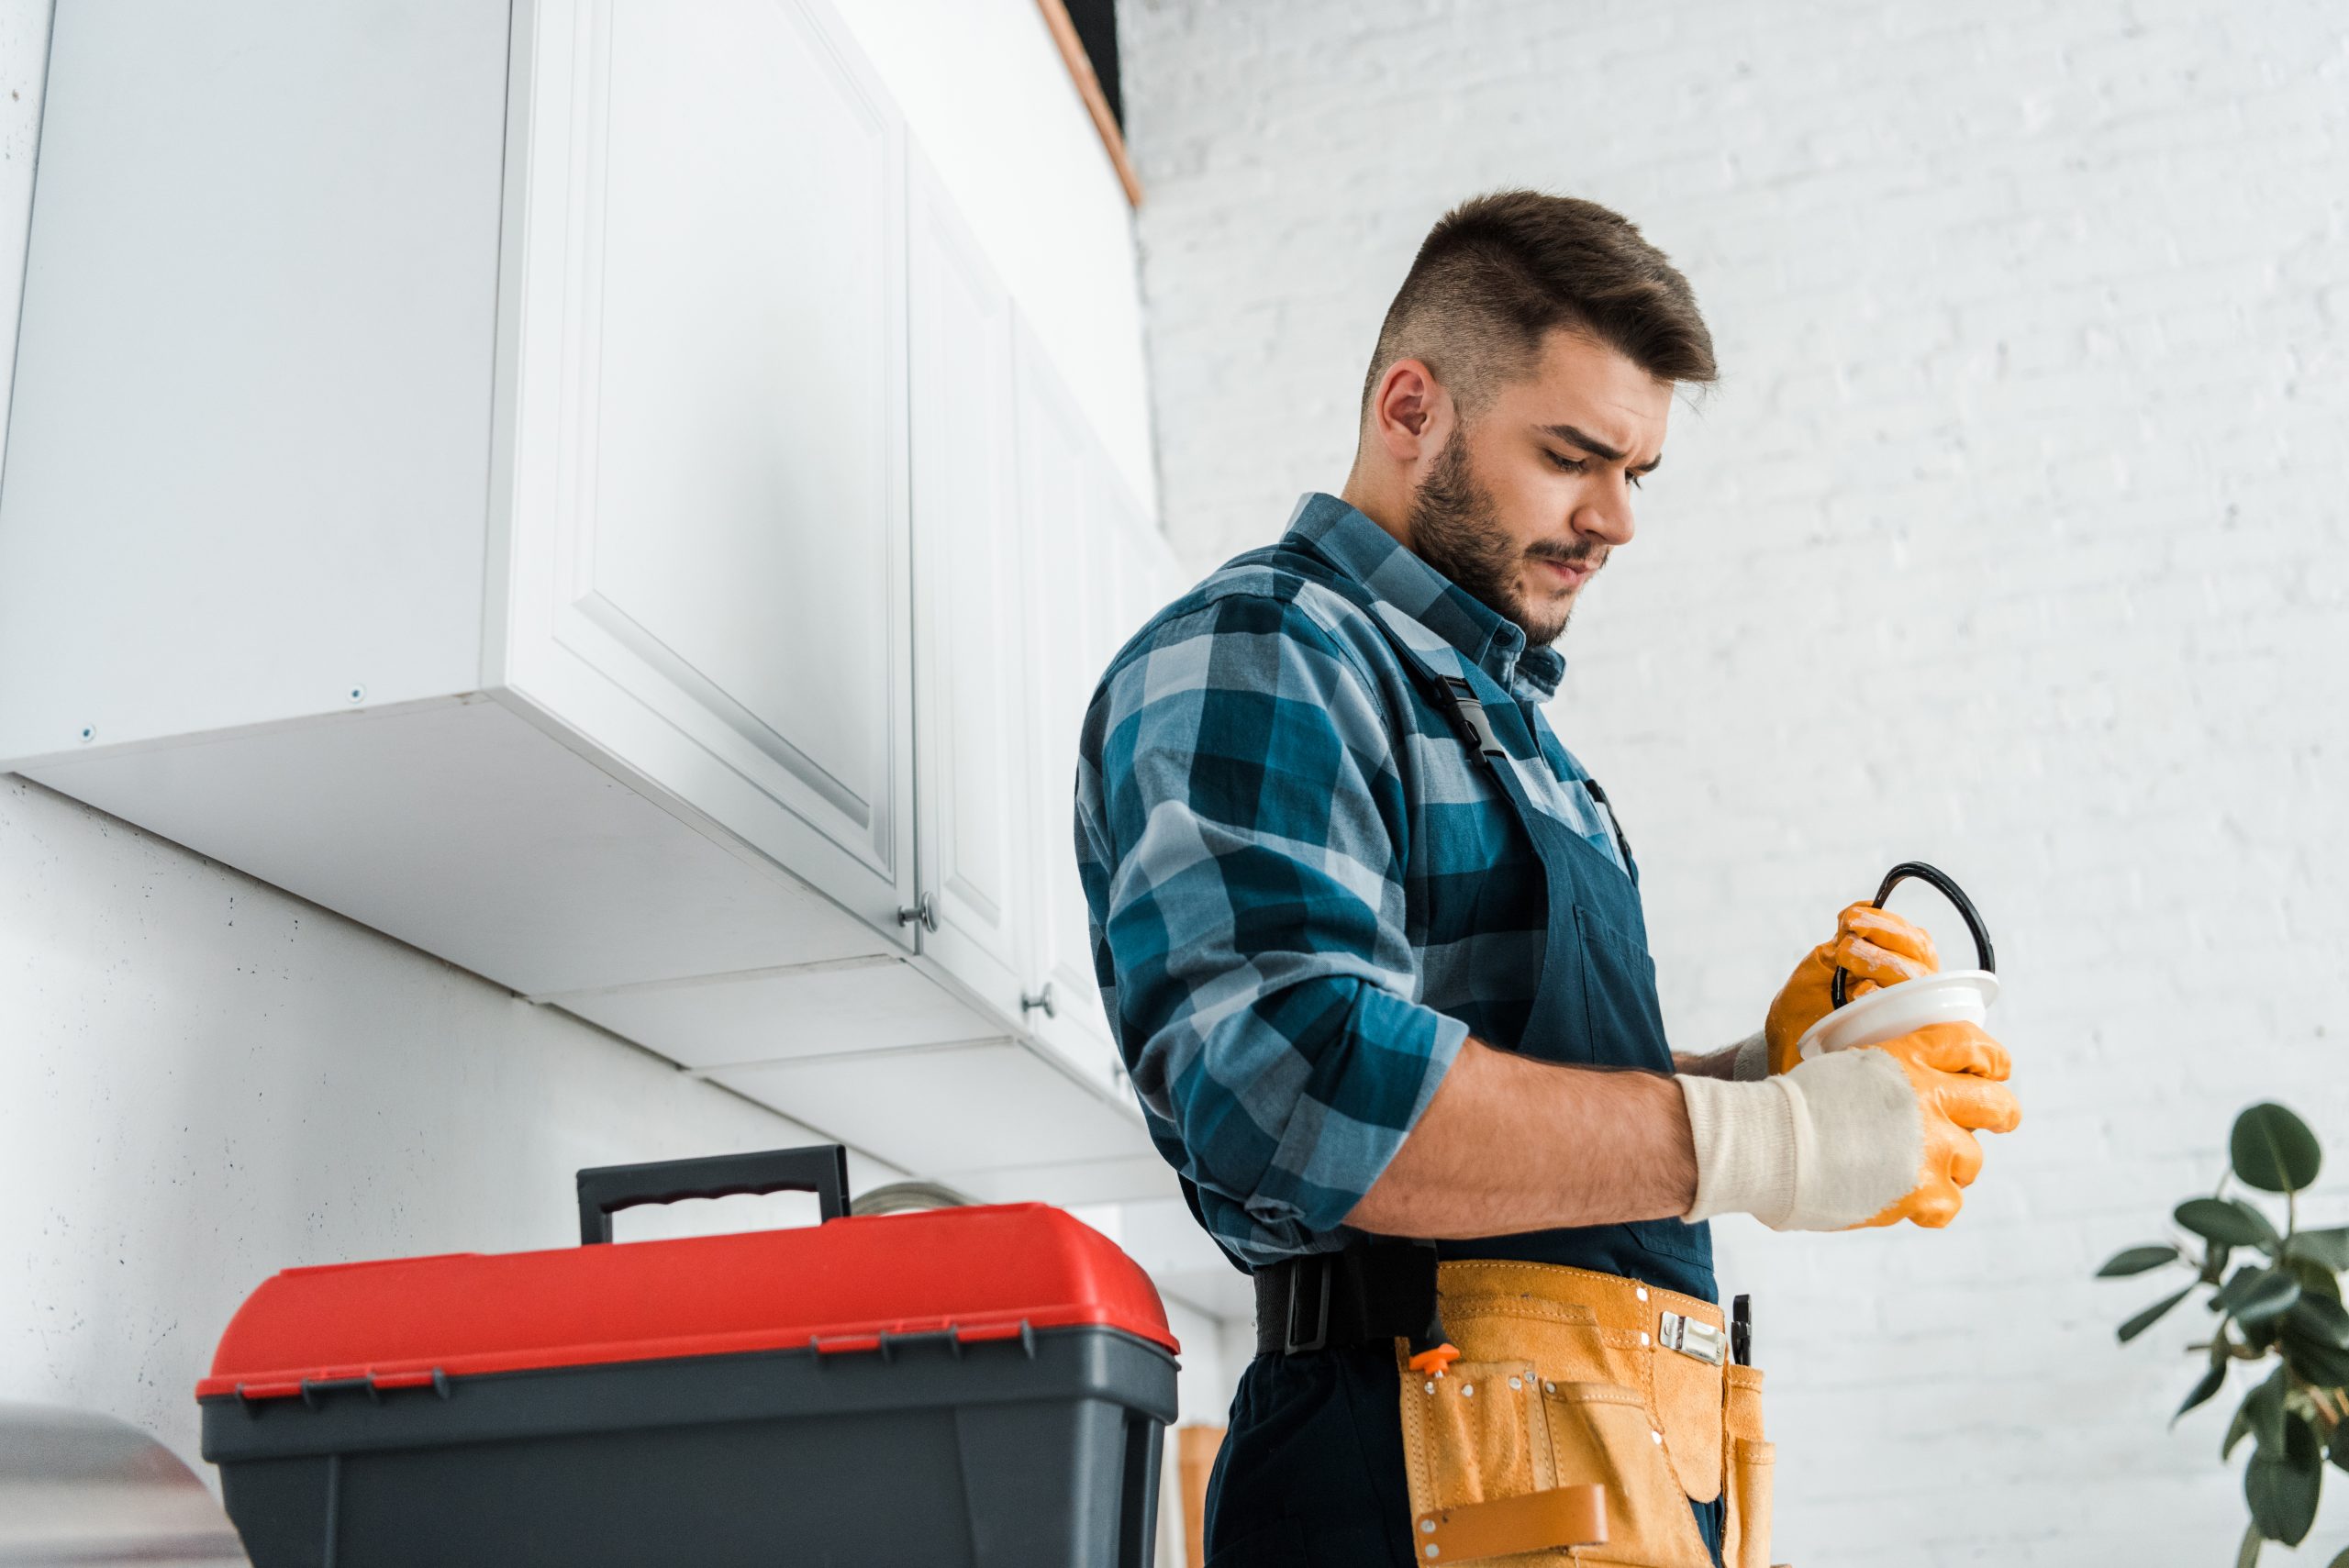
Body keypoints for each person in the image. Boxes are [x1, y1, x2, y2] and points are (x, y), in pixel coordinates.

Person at [1074, 190, 2021, 1568]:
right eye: (1575, 455)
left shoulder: (1518, 730)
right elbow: (1303, 1080)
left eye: (1638, 471)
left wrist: (1765, 1070)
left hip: (1597, 1457)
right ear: (1414, 409)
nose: (1617, 517)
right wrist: (1776, 1142)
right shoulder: (1265, 654)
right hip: (1410, 1462)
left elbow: (1504, 1079)